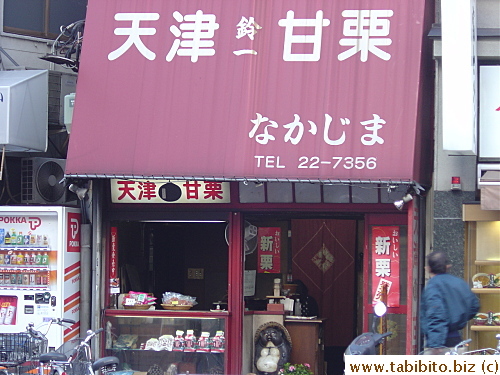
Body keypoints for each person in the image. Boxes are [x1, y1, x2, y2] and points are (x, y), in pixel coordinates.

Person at [420, 251, 479, 349]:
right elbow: (474, 306)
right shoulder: (460, 282)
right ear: (447, 266)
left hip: (440, 344)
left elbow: (436, 315)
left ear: (428, 268)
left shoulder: (433, 285)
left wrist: (435, 345)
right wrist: (458, 319)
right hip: (456, 339)